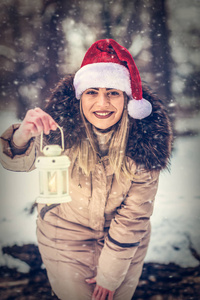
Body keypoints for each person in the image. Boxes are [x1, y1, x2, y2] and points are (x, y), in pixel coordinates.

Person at [0, 39, 172, 300]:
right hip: (64, 236)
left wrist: (110, 275)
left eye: (113, 92)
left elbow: (134, 216)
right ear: (80, 97)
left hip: (125, 242)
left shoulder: (145, 142)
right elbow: (18, 160)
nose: (102, 103)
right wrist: (21, 137)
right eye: (92, 92)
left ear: (127, 100)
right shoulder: (60, 129)